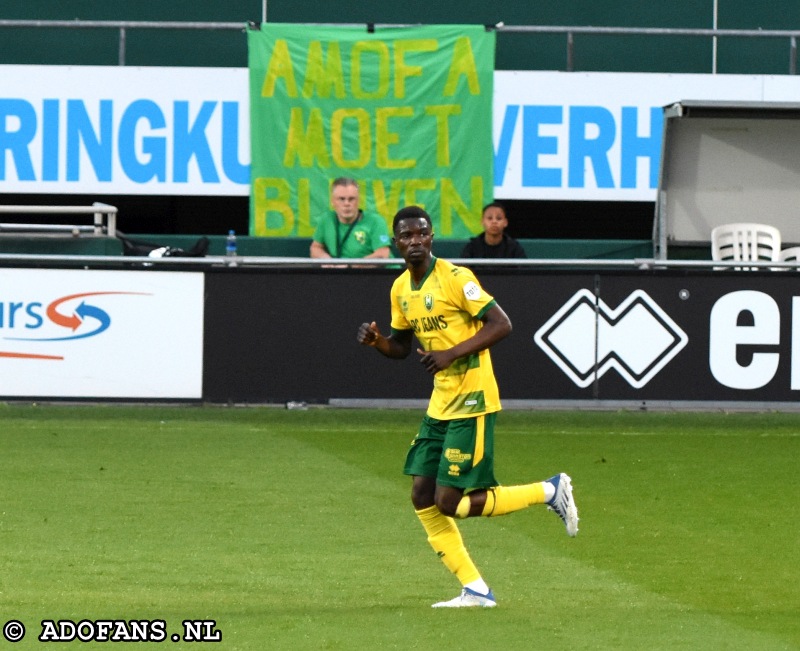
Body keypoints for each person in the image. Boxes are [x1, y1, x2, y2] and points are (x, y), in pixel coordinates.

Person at [357, 205, 578, 609]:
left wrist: (451, 354)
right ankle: (475, 589)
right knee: (421, 494)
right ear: (395, 243)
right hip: (440, 403)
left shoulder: (457, 278)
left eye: (421, 233)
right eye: (405, 236)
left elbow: (502, 324)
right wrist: (378, 343)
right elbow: (401, 347)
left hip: (473, 399)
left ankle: (549, 491)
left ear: (431, 237)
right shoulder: (400, 289)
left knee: (450, 503)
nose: (414, 241)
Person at [310, 177, 392, 261]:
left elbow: (382, 254)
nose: (346, 204)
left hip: (383, 273)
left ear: (358, 200)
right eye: (341, 199)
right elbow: (315, 247)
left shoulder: (376, 221)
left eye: (351, 199)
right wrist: (328, 261)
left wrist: (350, 267)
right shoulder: (326, 219)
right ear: (333, 201)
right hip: (341, 273)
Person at [460, 202, 527, 259]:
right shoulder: (472, 247)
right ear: (482, 222)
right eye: (489, 218)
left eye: (499, 218)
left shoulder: (514, 248)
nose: (494, 222)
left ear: (505, 222)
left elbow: (524, 272)